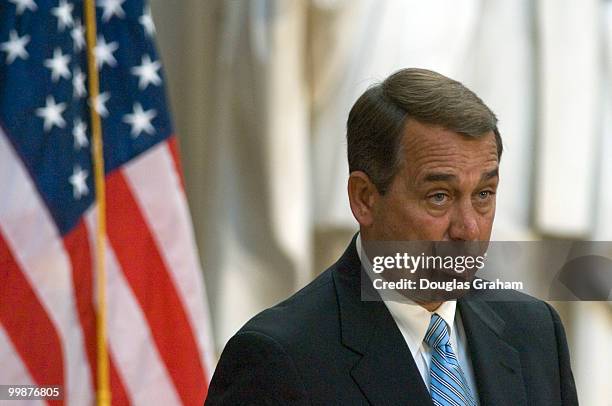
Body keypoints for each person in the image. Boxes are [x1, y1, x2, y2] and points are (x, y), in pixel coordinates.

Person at [205, 68, 578, 405]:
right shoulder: (278, 360)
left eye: (483, 194)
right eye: (439, 197)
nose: (469, 229)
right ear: (364, 199)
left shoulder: (536, 333)